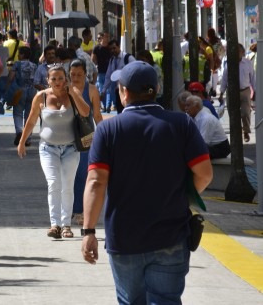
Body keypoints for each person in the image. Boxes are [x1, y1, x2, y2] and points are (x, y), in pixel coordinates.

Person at [82, 61, 213, 304]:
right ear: (157, 88)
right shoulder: (182, 124)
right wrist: (183, 196)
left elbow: (95, 182)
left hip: (124, 238)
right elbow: (205, 174)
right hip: (171, 236)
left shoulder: (108, 130)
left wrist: (89, 231)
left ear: (123, 92)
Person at [17, 64, 91, 240]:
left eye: (60, 78)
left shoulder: (73, 94)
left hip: (71, 148)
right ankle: (55, 224)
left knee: (67, 185)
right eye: (53, 79)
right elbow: (31, 120)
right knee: (53, 183)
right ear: (47, 80)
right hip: (48, 148)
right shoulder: (41, 97)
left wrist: (73, 93)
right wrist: (22, 142)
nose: (57, 82)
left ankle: (66, 225)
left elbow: (86, 112)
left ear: (66, 79)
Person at [67, 60, 103, 227]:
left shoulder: (92, 90)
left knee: (82, 175)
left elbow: (97, 115)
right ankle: (68, 211)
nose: (75, 78)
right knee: (68, 176)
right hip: (66, 136)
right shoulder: (64, 89)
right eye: (72, 74)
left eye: (79, 74)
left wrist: (103, 135)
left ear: (85, 74)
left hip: (85, 138)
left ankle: (80, 212)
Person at [219, 44, 256, 142]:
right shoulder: (229, 63)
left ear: (243, 52)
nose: (237, 54)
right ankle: (237, 131)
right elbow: (224, 79)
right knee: (233, 113)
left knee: (245, 112)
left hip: (245, 91)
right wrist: (221, 93)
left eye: (239, 52)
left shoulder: (248, 63)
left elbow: (253, 77)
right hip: (231, 91)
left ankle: (246, 131)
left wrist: (255, 90)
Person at [185, 95, 230, 161]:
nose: (185, 108)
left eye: (188, 105)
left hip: (219, 148)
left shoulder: (205, 119)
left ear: (196, 106)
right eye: (185, 105)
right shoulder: (194, 117)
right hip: (210, 146)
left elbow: (203, 142)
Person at [8, 46, 38, 145]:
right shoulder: (34, 65)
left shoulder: (17, 64)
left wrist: (8, 87)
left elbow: (11, 78)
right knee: (30, 114)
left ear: (22, 55)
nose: (17, 55)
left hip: (20, 90)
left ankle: (19, 131)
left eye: (19, 53)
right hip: (32, 91)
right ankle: (28, 138)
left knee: (17, 113)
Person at [104, 40, 135, 114]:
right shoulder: (112, 60)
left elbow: (136, 69)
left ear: (118, 47)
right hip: (118, 90)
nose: (112, 50)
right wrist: (103, 91)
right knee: (120, 111)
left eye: (114, 48)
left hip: (128, 90)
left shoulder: (127, 58)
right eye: (111, 49)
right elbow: (108, 76)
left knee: (128, 111)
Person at [92, 33, 113, 112]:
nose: (107, 38)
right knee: (101, 90)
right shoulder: (97, 48)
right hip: (100, 72)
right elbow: (93, 59)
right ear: (102, 37)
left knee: (108, 90)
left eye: (108, 36)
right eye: (106, 36)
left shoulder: (110, 48)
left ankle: (108, 105)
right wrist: (95, 65)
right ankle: (104, 105)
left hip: (109, 72)